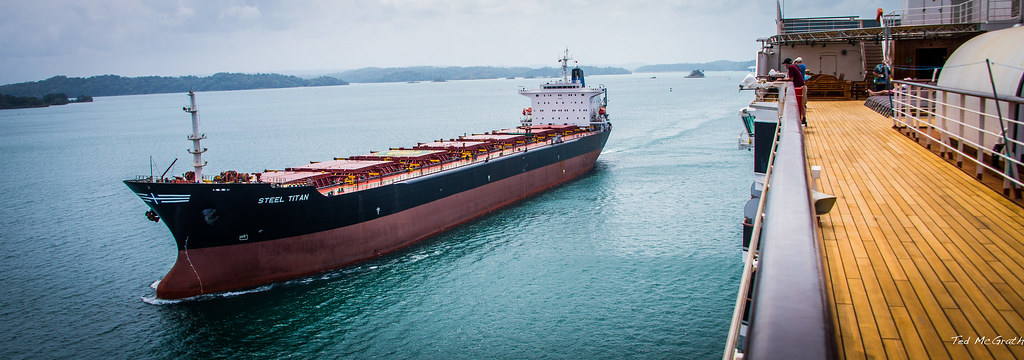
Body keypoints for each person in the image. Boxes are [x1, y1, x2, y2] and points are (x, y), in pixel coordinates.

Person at [783, 58, 807, 126]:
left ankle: (803, 120)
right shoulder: (793, 67)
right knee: (802, 104)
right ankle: (803, 119)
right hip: (802, 86)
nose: (785, 66)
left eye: (785, 64)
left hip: (801, 87)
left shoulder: (791, 68)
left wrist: (782, 79)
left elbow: (791, 79)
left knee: (802, 104)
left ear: (787, 64)